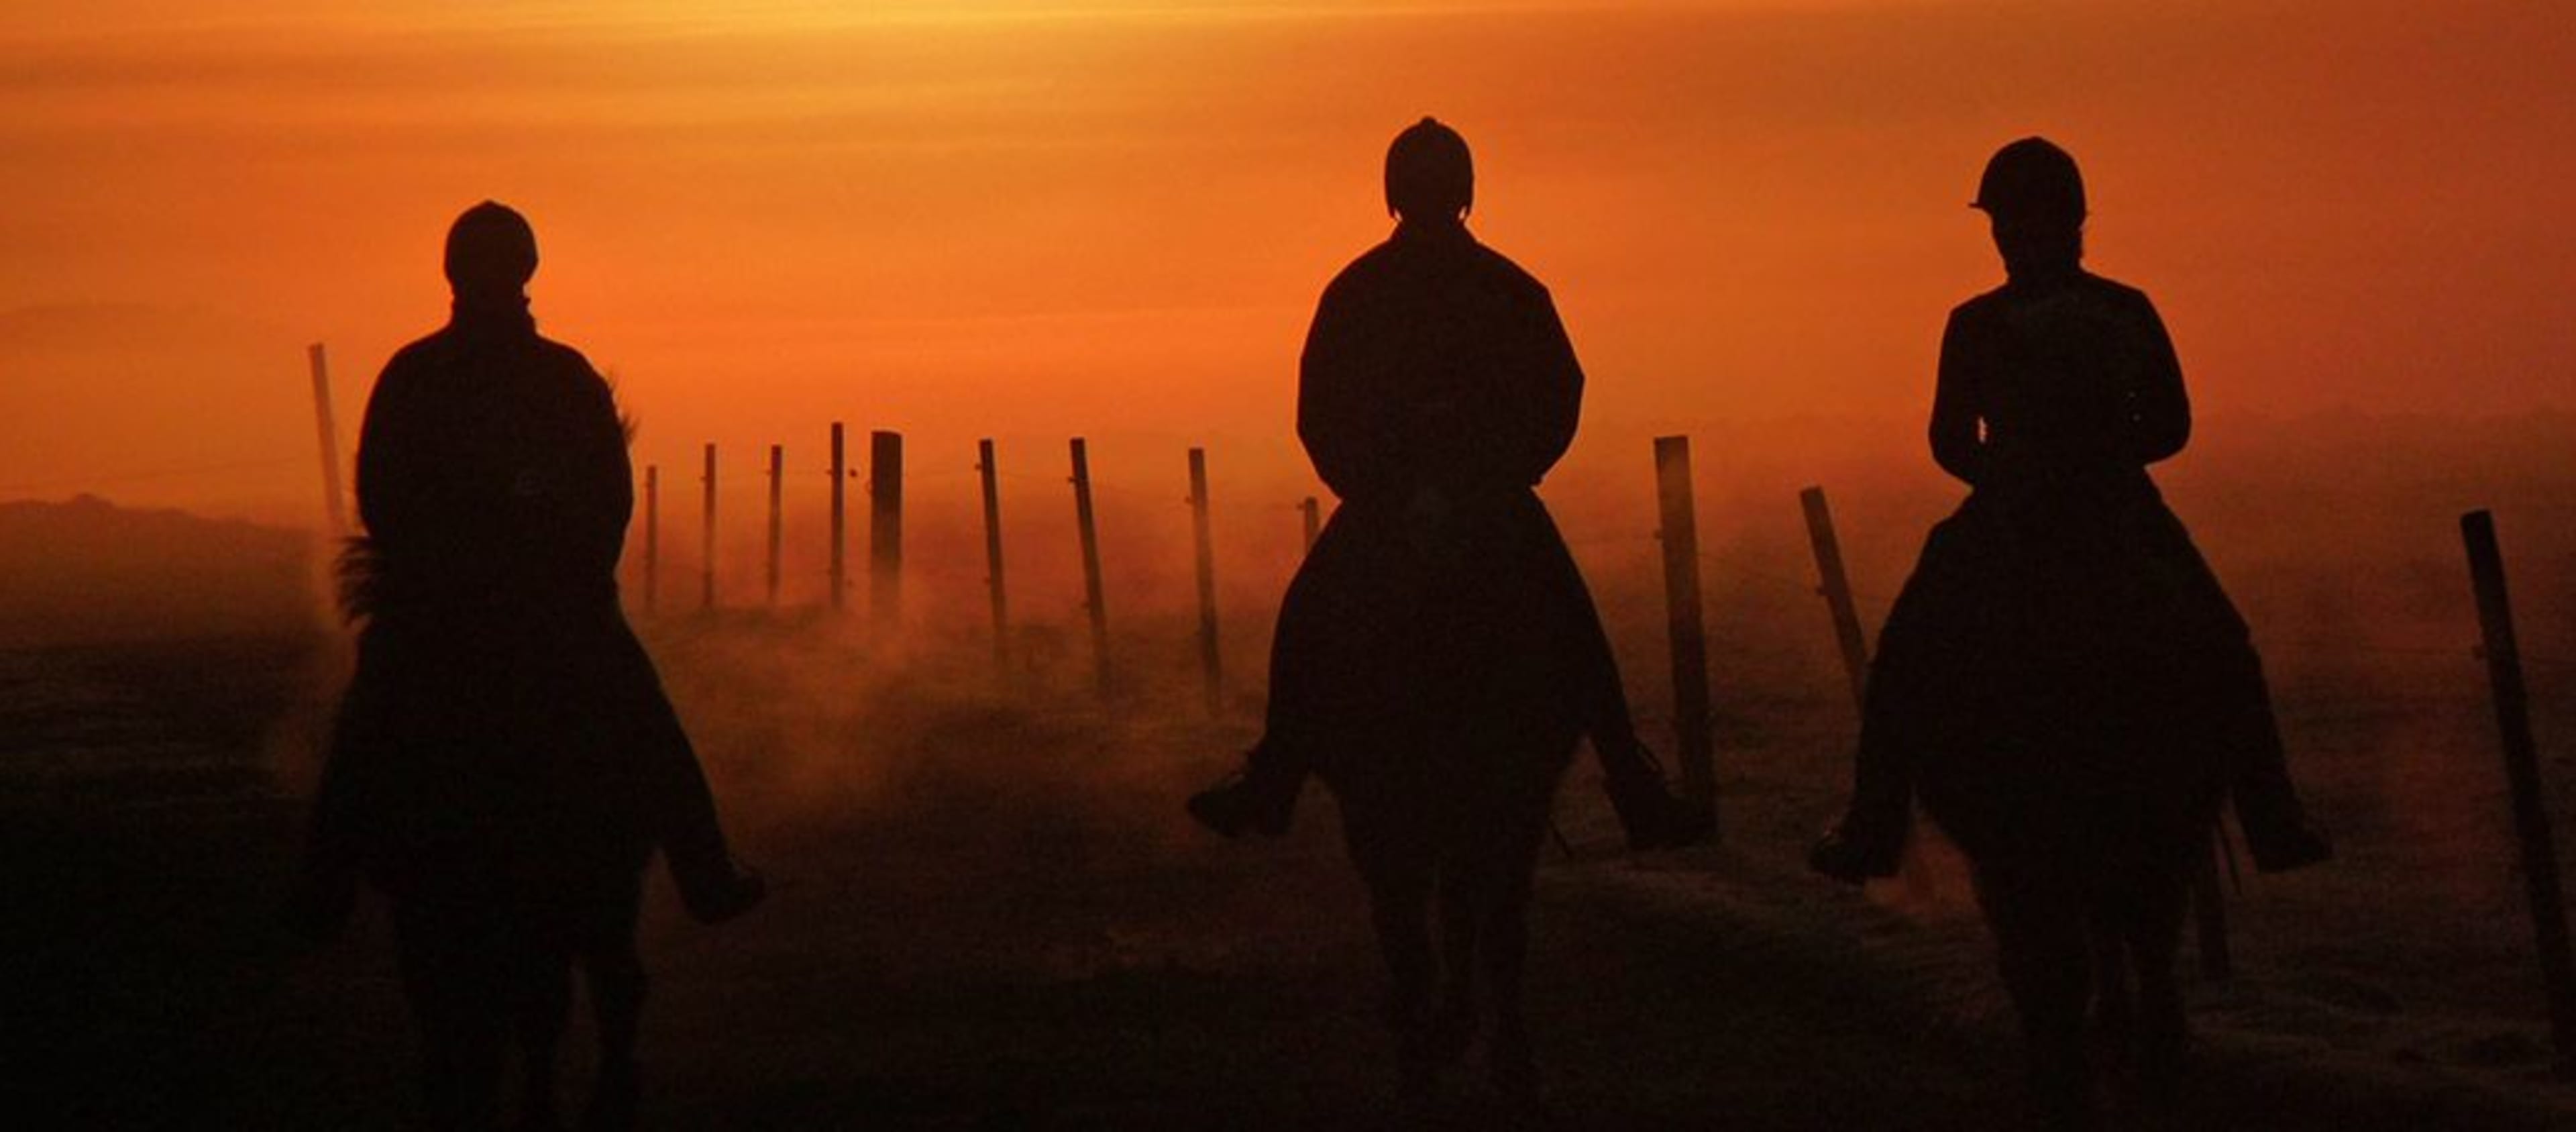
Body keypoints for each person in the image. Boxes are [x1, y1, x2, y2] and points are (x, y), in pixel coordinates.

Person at [1807, 139, 2329, 1125]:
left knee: (2211, 636)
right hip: (2087, 503)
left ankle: (1874, 819)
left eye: (2020, 222)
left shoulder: (2021, 318)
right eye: (2007, 224)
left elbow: (1961, 440)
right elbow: (2160, 425)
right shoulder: (2091, 312)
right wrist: (2073, 464)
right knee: (2199, 636)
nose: (2013, 239)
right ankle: (2269, 808)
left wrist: (2039, 468)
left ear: (2060, 223)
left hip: (2061, 502)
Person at [286, 201, 763, 1131]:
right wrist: (546, 575)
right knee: (641, 715)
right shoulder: (564, 381)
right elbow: (604, 508)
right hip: (548, 614)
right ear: (525, 271)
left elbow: (385, 496)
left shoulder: (417, 378)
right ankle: (707, 868)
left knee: (372, 722)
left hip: (450, 618)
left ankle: (325, 881)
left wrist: (458, 575)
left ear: (455, 275)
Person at [1187, 118, 1709, 853]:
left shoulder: (1371, 291)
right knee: (1569, 622)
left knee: (1312, 613)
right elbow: (1556, 395)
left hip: (1441, 499)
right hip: (1452, 500)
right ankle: (1632, 785)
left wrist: (1425, 485)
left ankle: (1273, 780)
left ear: (1395, 194)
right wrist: (1470, 480)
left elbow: (1324, 412)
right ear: (1464, 193)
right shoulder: (1496, 288)